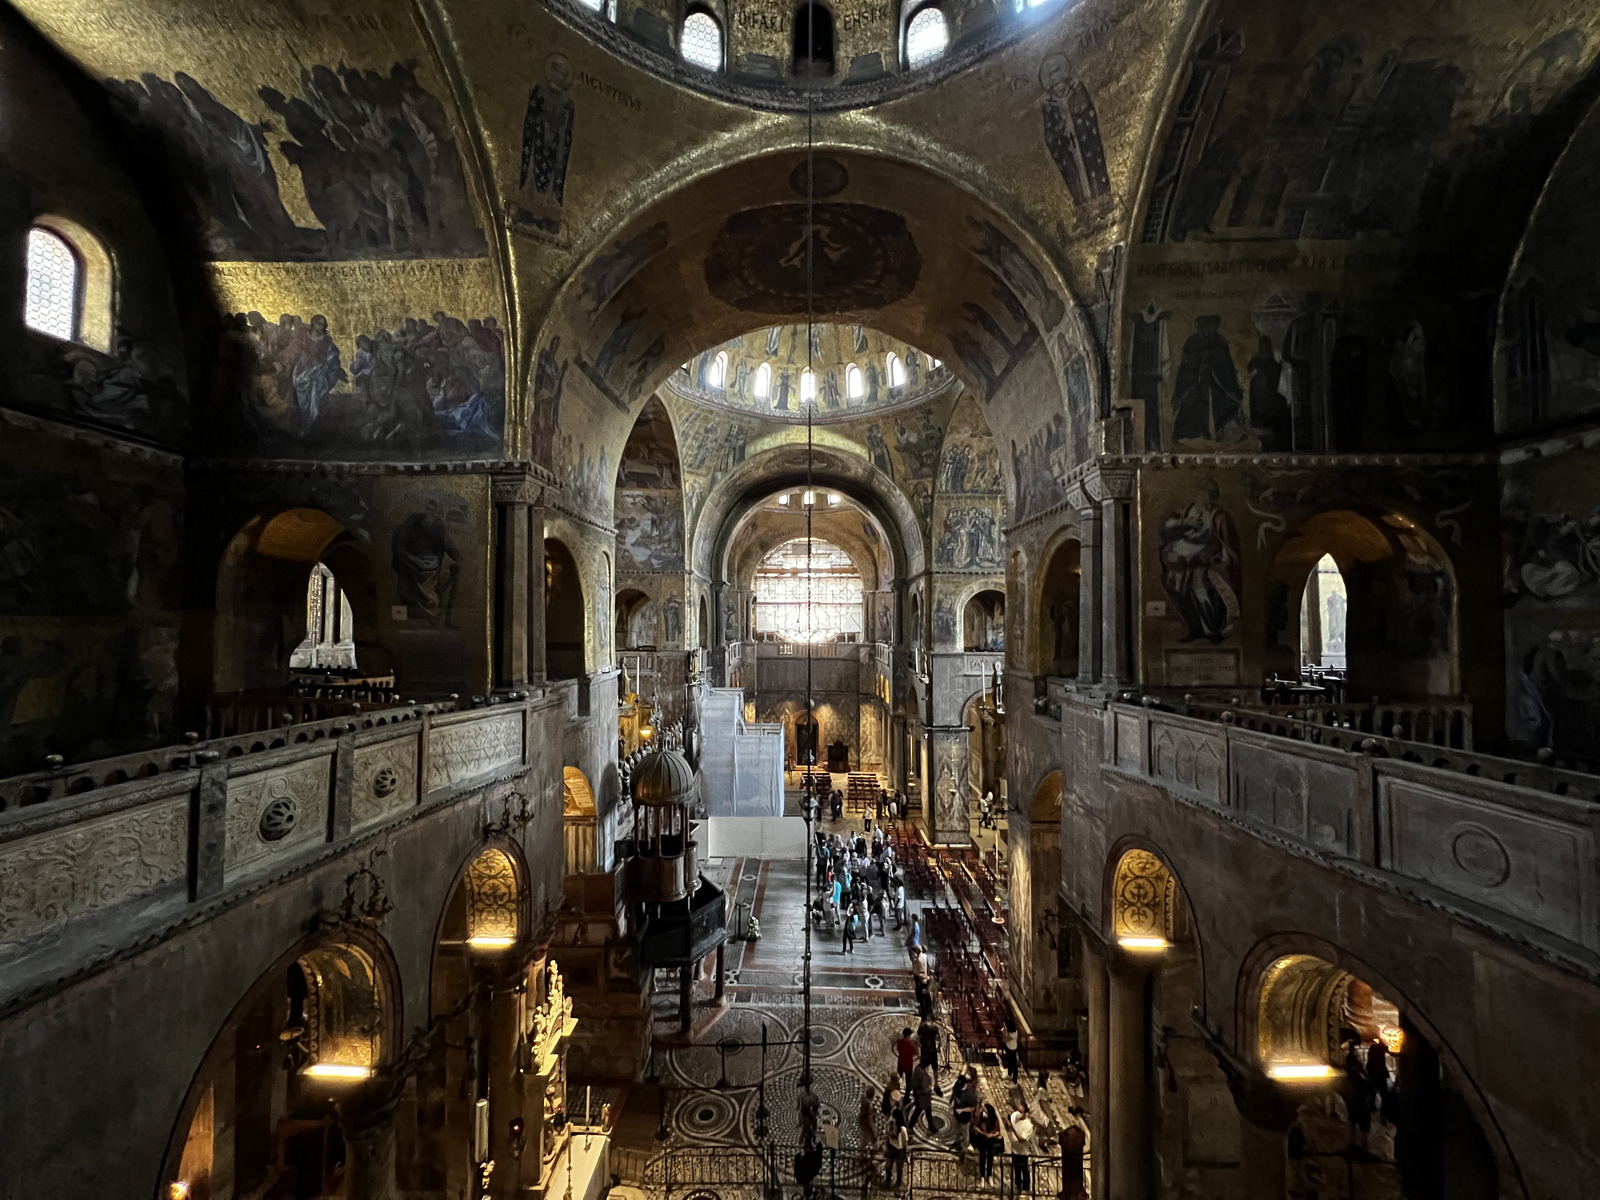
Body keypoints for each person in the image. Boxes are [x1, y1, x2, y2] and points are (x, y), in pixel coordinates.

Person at [1008, 1107, 1037, 1192]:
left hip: (1022, 1152)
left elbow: (1021, 1139)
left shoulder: (1028, 1126)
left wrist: (1013, 1129)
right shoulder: (1015, 1119)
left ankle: (1025, 1187)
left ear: (1025, 1113)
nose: (1017, 1113)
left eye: (1020, 1111)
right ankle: (1018, 1185)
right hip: (1014, 1150)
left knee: (1024, 1170)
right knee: (1016, 1169)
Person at [951, 1066, 978, 1156]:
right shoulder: (957, 1085)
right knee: (956, 1131)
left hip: (964, 1119)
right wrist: (950, 1101)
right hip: (956, 1115)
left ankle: (964, 1150)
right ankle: (956, 1143)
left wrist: (962, 1110)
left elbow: (973, 1108)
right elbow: (954, 1092)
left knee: (965, 1135)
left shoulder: (970, 1094)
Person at [972, 1103, 1002, 1181]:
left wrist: (991, 1135)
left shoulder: (995, 1119)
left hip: (991, 1141)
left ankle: (989, 1175)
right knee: (982, 1158)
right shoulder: (980, 1117)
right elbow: (975, 1126)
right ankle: (982, 1176)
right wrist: (984, 1134)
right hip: (982, 1140)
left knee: (990, 1158)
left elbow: (998, 1131)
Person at [908, 1062, 939, 1133]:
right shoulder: (923, 1075)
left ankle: (931, 1126)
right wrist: (930, 1086)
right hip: (922, 1097)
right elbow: (925, 1089)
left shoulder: (917, 1069)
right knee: (918, 1111)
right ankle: (910, 1126)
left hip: (918, 1095)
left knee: (927, 1111)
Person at [884, 1107, 909, 1190]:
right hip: (891, 1147)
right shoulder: (890, 1124)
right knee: (888, 1166)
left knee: (899, 1168)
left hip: (899, 1150)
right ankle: (888, 1181)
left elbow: (905, 1141)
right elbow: (887, 1133)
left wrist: (905, 1151)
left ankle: (898, 1183)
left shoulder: (902, 1129)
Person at [858, 1089, 880, 1183]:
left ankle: (862, 1156)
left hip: (862, 1124)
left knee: (863, 1141)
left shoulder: (864, 1099)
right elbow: (869, 1121)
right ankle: (872, 1162)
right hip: (867, 1126)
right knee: (873, 1142)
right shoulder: (868, 1105)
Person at [918, 1018, 942, 1096]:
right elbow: (938, 1039)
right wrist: (937, 1047)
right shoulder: (935, 1028)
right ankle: (936, 1084)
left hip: (925, 1051)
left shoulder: (921, 1027)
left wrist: (921, 1046)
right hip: (932, 1052)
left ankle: (925, 1084)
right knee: (935, 1069)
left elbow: (917, 1038)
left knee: (924, 1068)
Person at [1001, 1016, 1020, 1082]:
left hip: (1012, 1048)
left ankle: (1014, 1079)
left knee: (1013, 1063)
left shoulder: (1012, 1034)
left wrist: (1004, 1031)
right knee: (1010, 1062)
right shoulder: (1012, 1032)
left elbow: (1004, 1039)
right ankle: (1009, 1074)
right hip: (1009, 1047)